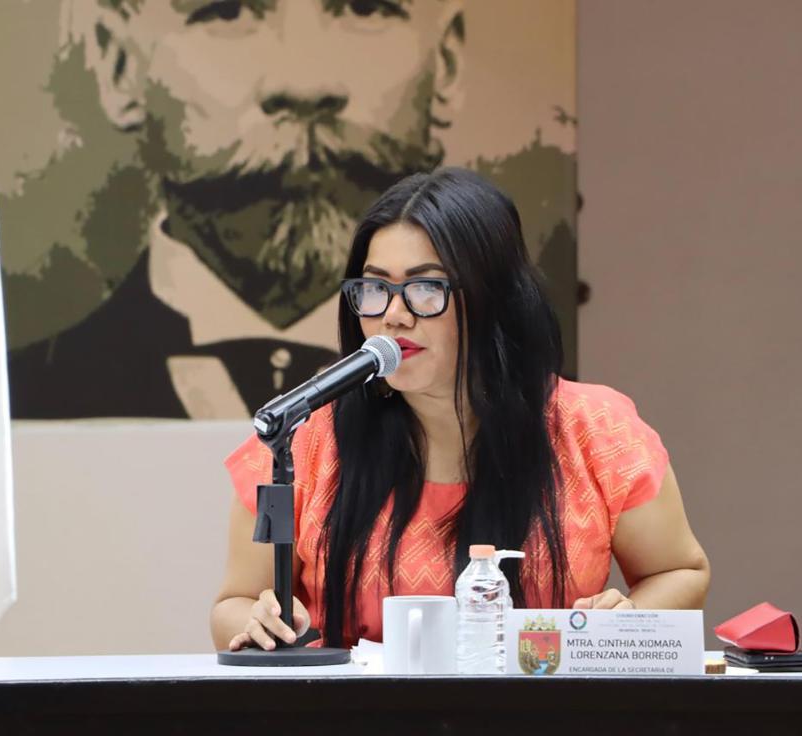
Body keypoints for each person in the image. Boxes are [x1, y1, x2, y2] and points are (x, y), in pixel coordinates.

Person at [210, 168, 710, 650]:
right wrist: (258, 622)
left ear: (495, 299)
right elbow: (235, 603)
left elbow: (679, 571)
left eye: (426, 288)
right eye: (376, 288)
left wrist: (623, 621)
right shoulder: (305, 440)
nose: (393, 315)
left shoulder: (595, 429)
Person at [8, 0, 464, 419]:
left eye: (365, 8)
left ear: (445, 62)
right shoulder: (21, 397)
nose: (305, 86)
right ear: (119, 66)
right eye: (226, 11)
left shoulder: (503, 398)